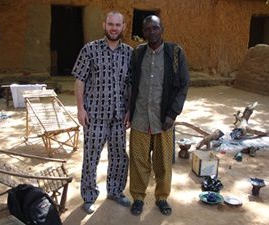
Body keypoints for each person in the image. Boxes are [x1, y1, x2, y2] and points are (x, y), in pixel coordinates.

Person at [72, 11, 133, 214]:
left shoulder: (129, 53)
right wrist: (80, 109)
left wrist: (129, 110)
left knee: (118, 156)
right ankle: (89, 196)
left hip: (119, 117)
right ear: (104, 25)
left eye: (118, 24)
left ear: (123, 26)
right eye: (110, 24)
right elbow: (79, 79)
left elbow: (131, 84)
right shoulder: (90, 49)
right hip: (94, 116)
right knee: (91, 157)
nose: (114, 28)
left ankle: (115, 191)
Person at [128, 15, 190, 216]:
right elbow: (131, 85)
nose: (151, 32)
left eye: (155, 28)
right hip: (139, 118)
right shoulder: (138, 54)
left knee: (163, 163)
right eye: (147, 29)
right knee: (138, 161)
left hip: (164, 120)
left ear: (162, 29)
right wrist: (128, 110)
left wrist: (173, 114)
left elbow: (183, 85)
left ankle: (162, 197)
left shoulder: (175, 53)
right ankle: (138, 197)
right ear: (143, 32)